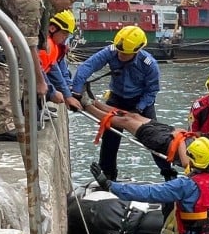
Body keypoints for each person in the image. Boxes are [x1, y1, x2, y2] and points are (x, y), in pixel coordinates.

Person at [0, 0, 81, 141]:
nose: (69, 8)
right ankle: (2, 126)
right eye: (71, 1)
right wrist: (41, 82)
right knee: (4, 65)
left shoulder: (41, 2)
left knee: (18, 62)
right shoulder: (33, 2)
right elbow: (28, 46)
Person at [71, 25, 173, 179]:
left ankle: (168, 174)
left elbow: (152, 90)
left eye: (125, 54)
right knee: (110, 138)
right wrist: (77, 91)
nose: (121, 56)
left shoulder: (149, 64)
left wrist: (138, 110)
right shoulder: (111, 51)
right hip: (117, 98)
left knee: (154, 138)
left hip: (141, 102)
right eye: (119, 52)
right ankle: (107, 175)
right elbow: (88, 66)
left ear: (136, 51)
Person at [76, 95, 209, 184]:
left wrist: (180, 139)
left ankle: (87, 106)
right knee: (134, 115)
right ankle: (94, 101)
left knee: (127, 122)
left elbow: (186, 165)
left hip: (169, 144)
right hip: (178, 134)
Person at [38, 10, 75, 105]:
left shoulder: (54, 47)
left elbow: (56, 71)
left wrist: (68, 93)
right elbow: (40, 73)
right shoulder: (45, 47)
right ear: (52, 28)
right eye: (64, 34)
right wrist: (53, 93)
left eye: (67, 35)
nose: (65, 38)